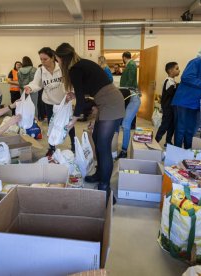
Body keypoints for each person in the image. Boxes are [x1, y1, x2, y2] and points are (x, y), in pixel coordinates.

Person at [55, 43, 125, 203]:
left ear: (63, 59)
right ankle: (100, 173)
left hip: (110, 103)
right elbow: (93, 87)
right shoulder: (82, 64)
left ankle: (106, 188)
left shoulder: (75, 69)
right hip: (107, 101)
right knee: (97, 138)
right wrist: (76, 95)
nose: (58, 63)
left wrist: (73, 120)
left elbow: (81, 101)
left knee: (103, 146)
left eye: (58, 60)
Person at [24, 47, 75, 155]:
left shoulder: (61, 67)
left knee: (69, 123)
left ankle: (74, 144)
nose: (43, 61)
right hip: (49, 102)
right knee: (51, 125)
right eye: (41, 59)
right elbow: (36, 84)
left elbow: (71, 82)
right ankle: (52, 147)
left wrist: (72, 92)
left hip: (63, 102)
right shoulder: (41, 70)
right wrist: (30, 87)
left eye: (45, 59)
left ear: (53, 58)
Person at [117, 51, 141, 159]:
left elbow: (130, 81)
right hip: (127, 96)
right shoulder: (129, 65)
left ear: (123, 57)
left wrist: (127, 89)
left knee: (126, 125)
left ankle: (124, 150)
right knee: (119, 123)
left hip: (132, 97)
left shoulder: (131, 65)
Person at [155, 62, 180, 147]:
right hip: (168, 107)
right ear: (170, 71)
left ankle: (168, 141)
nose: (179, 70)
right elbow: (171, 93)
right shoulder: (169, 82)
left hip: (172, 107)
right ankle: (156, 140)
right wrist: (178, 86)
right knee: (165, 125)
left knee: (172, 125)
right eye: (177, 68)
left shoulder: (172, 81)